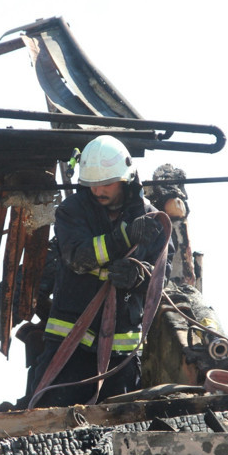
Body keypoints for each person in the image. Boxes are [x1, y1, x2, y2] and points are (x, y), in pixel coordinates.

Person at [29, 135, 171, 407]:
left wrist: (139, 276)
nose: (98, 191)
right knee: (50, 421)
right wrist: (124, 238)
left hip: (121, 357)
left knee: (119, 429)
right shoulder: (72, 212)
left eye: (106, 183)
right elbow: (78, 257)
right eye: (92, 184)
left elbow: (160, 278)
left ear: (126, 179)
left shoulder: (153, 221)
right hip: (69, 348)